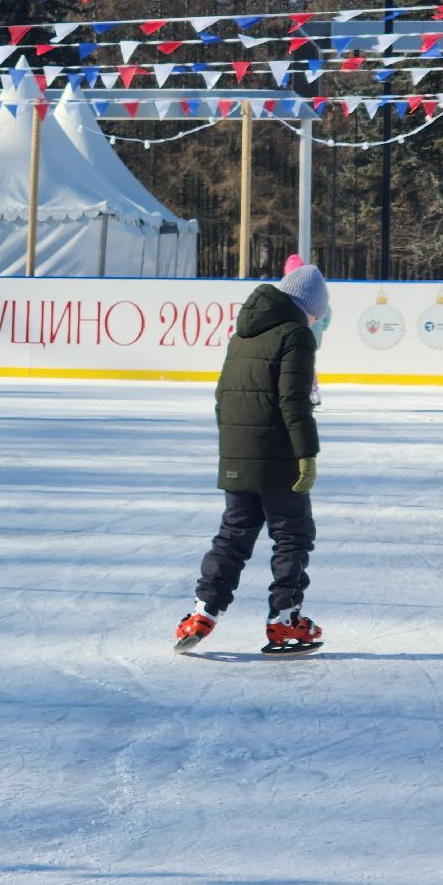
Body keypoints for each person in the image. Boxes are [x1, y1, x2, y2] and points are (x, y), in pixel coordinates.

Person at [174, 264, 328, 655]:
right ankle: (284, 620)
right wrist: (306, 453)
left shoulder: (241, 335)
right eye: (315, 313)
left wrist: (232, 452)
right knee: (292, 534)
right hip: (278, 456)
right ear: (306, 308)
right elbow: (293, 401)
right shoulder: (296, 335)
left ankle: (202, 610)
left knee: (234, 534)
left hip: (237, 454)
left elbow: (222, 396)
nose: (315, 320)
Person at [283, 253, 330, 407]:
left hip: (306, 337)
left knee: (303, 362)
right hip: (312, 338)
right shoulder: (315, 296)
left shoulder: (290, 294)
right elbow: (327, 314)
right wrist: (322, 325)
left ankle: (311, 390)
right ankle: (311, 390)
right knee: (307, 362)